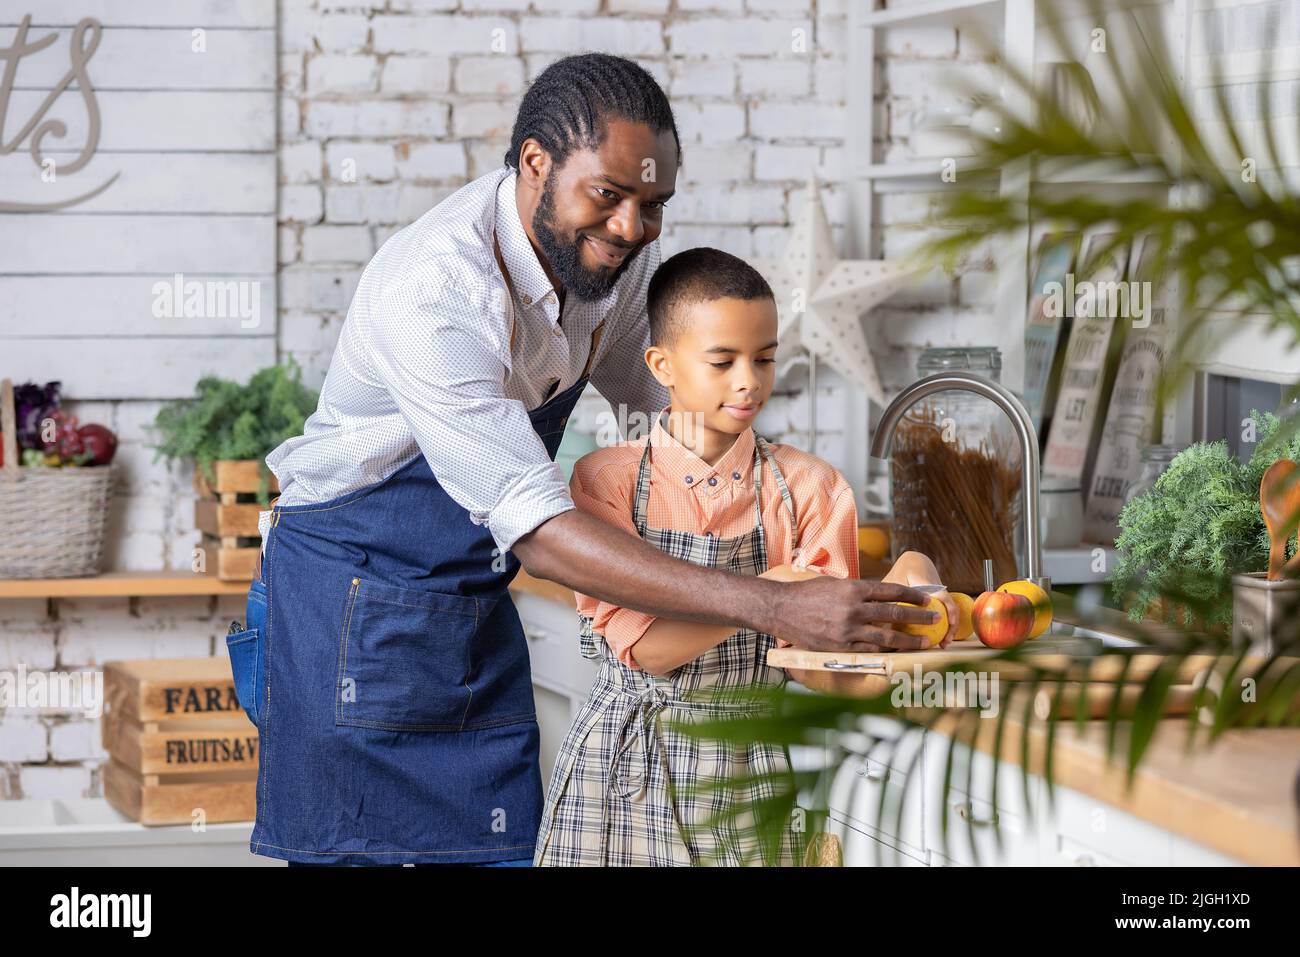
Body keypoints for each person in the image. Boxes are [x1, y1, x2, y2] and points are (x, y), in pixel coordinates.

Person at [242, 54, 939, 867]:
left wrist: (799, 500)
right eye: (607, 196)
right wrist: (772, 604)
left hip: (466, 606)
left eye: (654, 205)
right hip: (351, 612)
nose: (631, 229)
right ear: (535, 161)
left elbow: (675, 403)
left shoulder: (612, 255)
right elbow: (536, 528)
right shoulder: (435, 291)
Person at [533, 248, 959, 866]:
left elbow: (823, 666)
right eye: (723, 361)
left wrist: (910, 597)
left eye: (764, 359)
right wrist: (774, 594)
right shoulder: (608, 481)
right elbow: (644, 649)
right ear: (662, 365)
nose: (748, 382)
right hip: (621, 768)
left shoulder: (811, 488)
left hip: (749, 771)